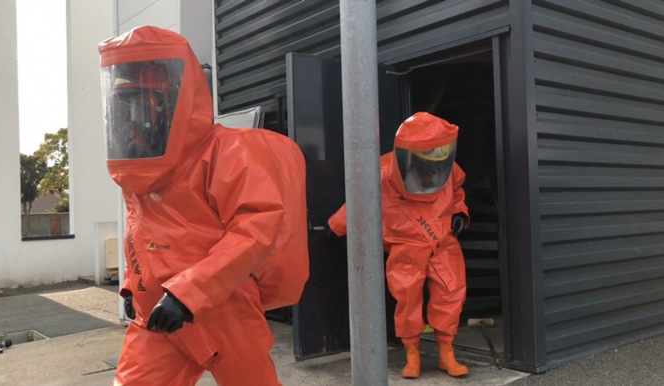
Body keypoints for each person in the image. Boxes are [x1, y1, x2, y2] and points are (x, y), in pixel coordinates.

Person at [99, 26, 309, 386]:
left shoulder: (226, 153)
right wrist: (134, 288)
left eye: (139, 103)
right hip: (158, 309)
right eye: (123, 106)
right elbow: (140, 232)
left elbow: (254, 230)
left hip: (224, 306)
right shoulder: (140, 164)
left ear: (167, 102)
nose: (130, 119)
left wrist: (186, 294)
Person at [329, 112, 469, 379]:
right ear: (408, 159)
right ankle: (412, 354)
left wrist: (460, 212)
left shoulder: (447, 170)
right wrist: (335, 226)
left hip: (442, 242)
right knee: (407, 297)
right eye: (424, 167)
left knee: (451, 293)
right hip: (406, 245)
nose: (431, 174)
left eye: (436, 166)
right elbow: (357, 204)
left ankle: (446, 353)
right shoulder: (382, 175)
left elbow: (457, 190)